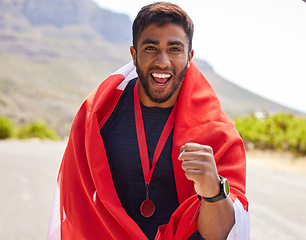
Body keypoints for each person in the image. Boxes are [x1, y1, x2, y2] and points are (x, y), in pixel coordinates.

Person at [47, 2, 250, 240]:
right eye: (151, 48)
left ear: (189, 57)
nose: (162, 61)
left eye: (174, 49)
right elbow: (77, 208)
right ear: (134, 55)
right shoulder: (98, 118)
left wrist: (213, 191)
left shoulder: (218, 134)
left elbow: (222, 234)